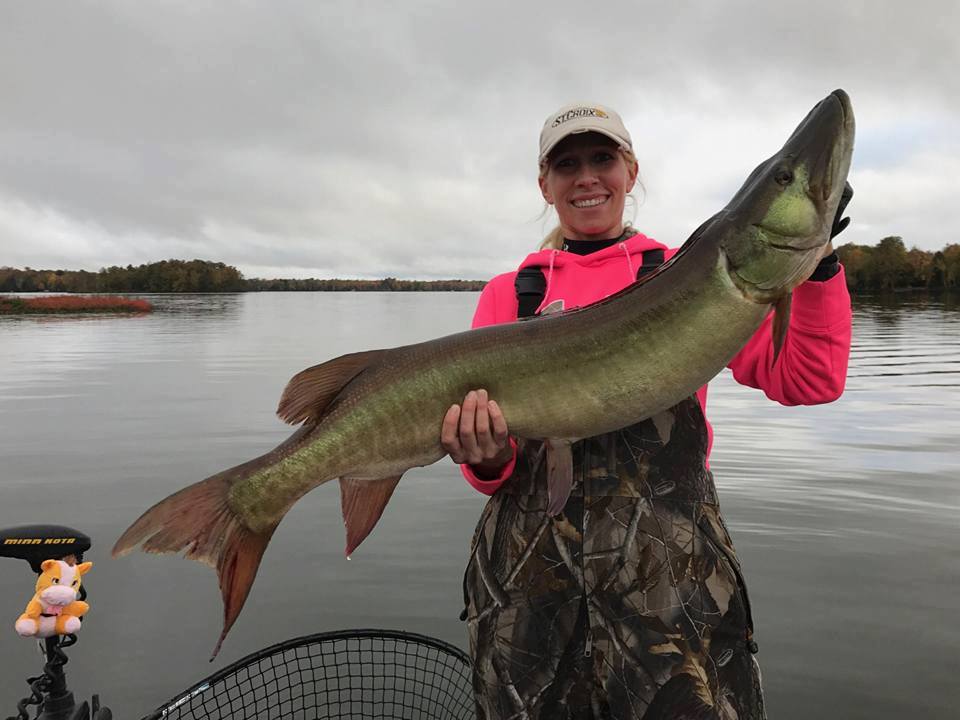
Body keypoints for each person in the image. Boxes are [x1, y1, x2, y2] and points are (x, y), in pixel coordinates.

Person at [442, 102, 853, 719]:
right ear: (545, 185)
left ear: (630, 172)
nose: (586, 177)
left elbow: (809, 379)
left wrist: (817, 268)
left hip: (670, 596)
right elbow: (490, 471)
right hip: (530, 602)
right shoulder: (512, 293)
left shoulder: (698, 274)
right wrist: (488, 454)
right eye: (567, 164)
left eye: (602, 159)